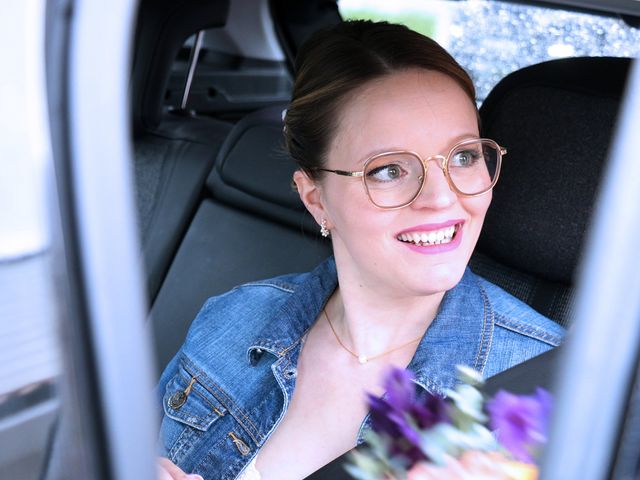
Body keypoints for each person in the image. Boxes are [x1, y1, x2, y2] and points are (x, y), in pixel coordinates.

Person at [156, 20, 565, 480]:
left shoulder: (556, 388)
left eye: (464, 157)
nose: (443, 198)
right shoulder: (232, 319)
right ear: (316, 200)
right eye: (388, 170)